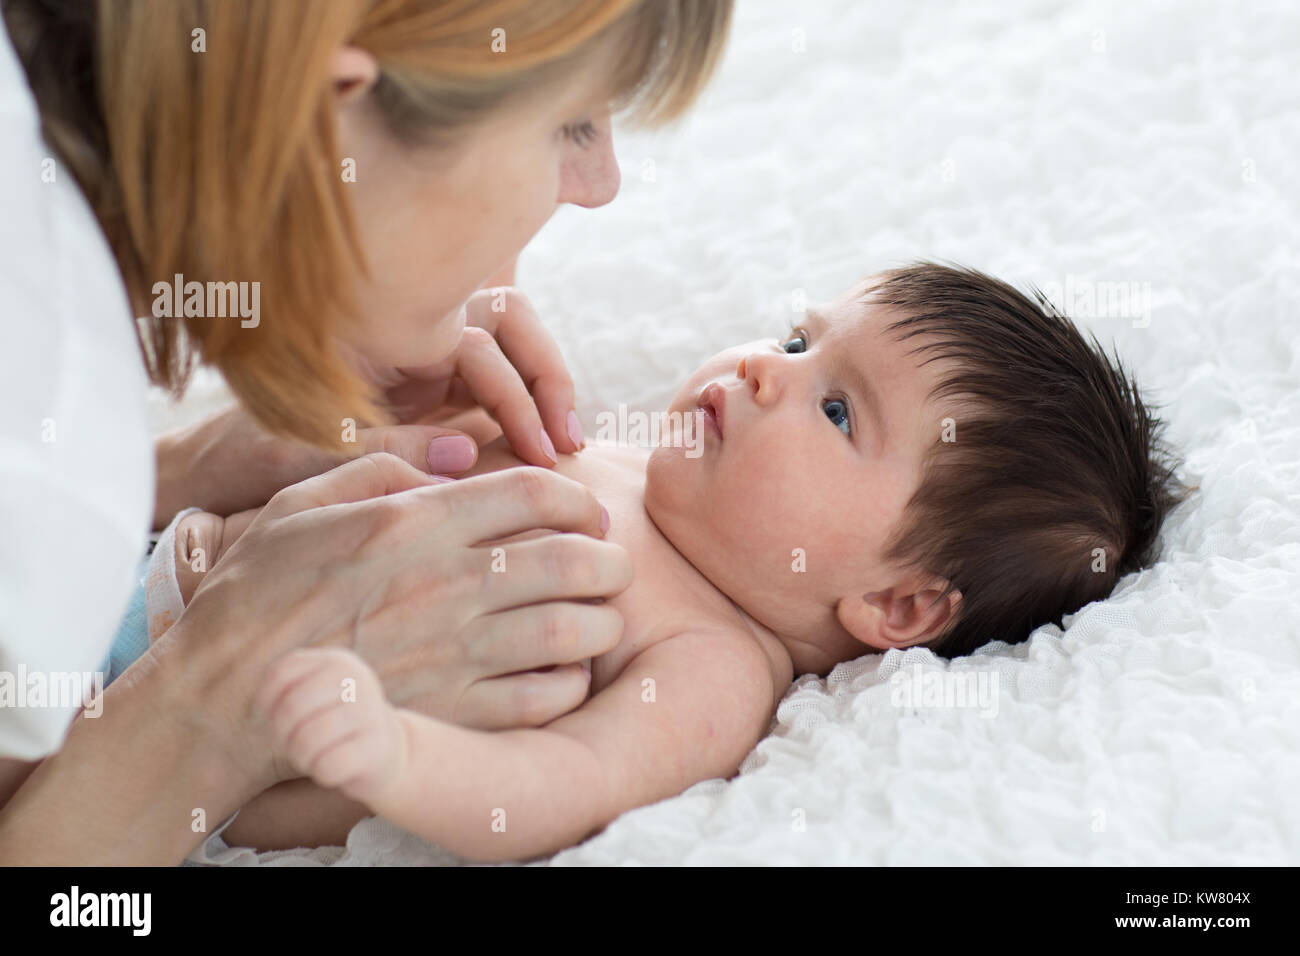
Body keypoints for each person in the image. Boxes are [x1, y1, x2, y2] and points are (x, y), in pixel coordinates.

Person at [0, 0, 734, 864]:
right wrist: (219, 702)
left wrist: (177, 468)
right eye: (571, 123)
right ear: (327, 120)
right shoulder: (48, 391)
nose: (601, 183)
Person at [132, 264, 1193, 860]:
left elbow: (562, 783)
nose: (761, 371)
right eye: (792, 339)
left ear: (900, 603)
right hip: (146, 563)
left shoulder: (714, 664)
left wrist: (392, 751)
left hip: (154, 729)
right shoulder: (632, 461)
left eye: (835, 407)